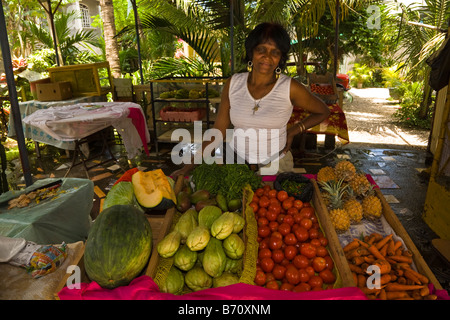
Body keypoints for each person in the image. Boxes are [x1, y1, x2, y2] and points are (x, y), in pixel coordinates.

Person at [171, 22, 330, 178]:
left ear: (280, 57)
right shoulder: (233, 84)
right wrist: (189, 166)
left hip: (276, 166)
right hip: (235, 165)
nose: (267, 57)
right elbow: (218, 130)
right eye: (261, 49)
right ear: (251, 52)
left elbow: (322, 111)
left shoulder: (290, 87)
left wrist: (294, 131)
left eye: (275, 52)